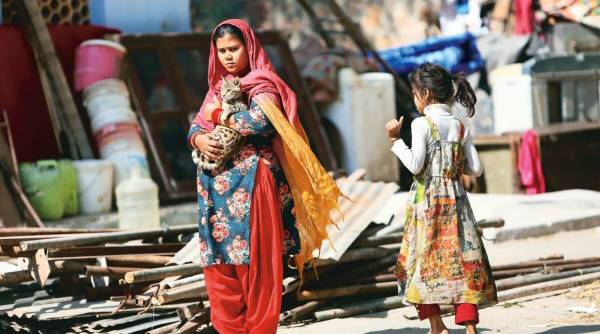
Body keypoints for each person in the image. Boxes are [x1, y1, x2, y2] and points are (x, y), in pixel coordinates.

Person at [188, 19, 342, 334]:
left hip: (253, 185)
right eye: (221, 51)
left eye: (234, 48)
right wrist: (199, 139)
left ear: (250, 47)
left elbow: (257, 124)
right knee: (221, 264)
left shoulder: (263, 85)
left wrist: (218, 115)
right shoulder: (217, 88)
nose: (228, 56)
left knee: (255, 265)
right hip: (216, 191)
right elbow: (196, 124)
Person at [385, 63, 497, 334]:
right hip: (457, 204)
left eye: (414, 93)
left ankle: (437, 326)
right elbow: (476, 169)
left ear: (425, 93)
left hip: (428, 205)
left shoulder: (422, 123)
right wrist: (453, 164)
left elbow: (415, 165)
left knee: (419, 263)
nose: (414, 98)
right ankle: (470, 328)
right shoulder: (460, 126)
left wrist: (395, 140)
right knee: (464, 262)